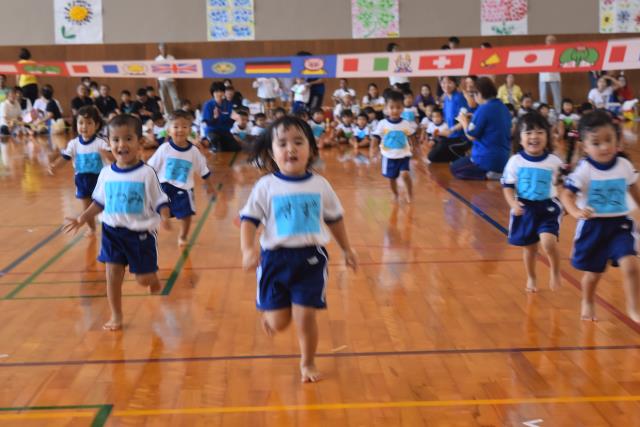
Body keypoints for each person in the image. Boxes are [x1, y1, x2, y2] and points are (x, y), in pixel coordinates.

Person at [239, 115, 357, 383]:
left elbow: (334, 219)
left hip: (311, 259)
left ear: (311, 149)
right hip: (274, 260)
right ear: (272, 152)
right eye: (282, 143)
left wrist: (347, 249)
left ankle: (308, 362)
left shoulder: (320, 185)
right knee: (280, 323)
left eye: (298, 142)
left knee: (305, 317)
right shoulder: (266, 186)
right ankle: (271, 317)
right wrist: (247, 249)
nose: (290, 148)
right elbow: (249, 220)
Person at [63, 114, 171, 331]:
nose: (122, 145)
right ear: (109, 143)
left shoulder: (146, 173)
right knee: (112, 276)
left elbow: (160, 200)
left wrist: (166, 217)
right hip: (112, 233)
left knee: (142, 280)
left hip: (140, 235)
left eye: (128, 139)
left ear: (140, 142)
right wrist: (82, 218)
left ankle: (152, 280)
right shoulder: (105, 173)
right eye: (116, 140)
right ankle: (116, 315)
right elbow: (99, 202)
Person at [560, 110, 640, 323]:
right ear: (585, 147)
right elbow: (566, 194)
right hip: (593, 227)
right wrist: (576, 212)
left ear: (617, 140)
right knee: (593, 275)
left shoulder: (624, 166)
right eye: (596, 143)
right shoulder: (584, 170)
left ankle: (634, 309)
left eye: (608, 140)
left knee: (631, 265)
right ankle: (587, 300)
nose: (604, 147)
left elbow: (633, 188)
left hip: (620, 225)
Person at [501, 112, 563, 293]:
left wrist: (567, 203)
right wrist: (513, 204)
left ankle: (555, 270)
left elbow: (563, 186)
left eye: (539, 132)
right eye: (528, 133)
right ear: (520, 138)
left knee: (548, 243)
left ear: (547, 136)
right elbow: (507, 186)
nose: (534, 136)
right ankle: (531, 276)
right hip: (525, 208)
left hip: (548, 207)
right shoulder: (515, 161)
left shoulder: (554, 161)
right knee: (529, 248)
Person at [147, 110, 215, 247]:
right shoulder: (164, 148)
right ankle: (163, 219)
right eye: (176, 126)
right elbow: (151, 167)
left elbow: (203, 169)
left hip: (184, 189)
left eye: (184, 126)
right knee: (161, 209)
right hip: (164, 187)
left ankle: (183, 236)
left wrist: (210, 186)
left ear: (190, 130)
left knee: (186, 215)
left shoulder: (193, 151)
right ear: (169, 130)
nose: (180, 130)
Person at [49, 106, 112, 236]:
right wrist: (55, 166)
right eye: (81, 122)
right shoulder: (74, 144)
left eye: (89, 123)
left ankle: (110, 227)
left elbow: (113, 157)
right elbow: (65, 158)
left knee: (104, 206)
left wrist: (106, 154)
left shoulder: (101, 143)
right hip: (82, 181)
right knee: (86, 207)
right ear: (76, 124)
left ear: (96, 125)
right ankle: (92, 228)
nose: (84, 126)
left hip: (99, 181)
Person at [453, 77, 512, 180]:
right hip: (504, 158)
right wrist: (474, 118)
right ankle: (496, 171)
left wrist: (463, 122)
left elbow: (471, 136)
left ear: (479, 94)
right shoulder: (503, 107)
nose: (474, 98)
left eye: (474, 95)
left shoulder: (483, 109)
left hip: (487, 158)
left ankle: (489, 174)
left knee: (455, 168)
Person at [370, 91, 415, 203]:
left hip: (404, 154)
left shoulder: (405, 123)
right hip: (388, 156)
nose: (395, 110)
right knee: (391, 178)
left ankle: (409, 193)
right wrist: (372, 149)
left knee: (405, 174)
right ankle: (395, 194)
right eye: (392, 107)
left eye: (398, 107)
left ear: (402, 108)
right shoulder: (382, 123)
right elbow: (375, 137)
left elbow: (411, 136)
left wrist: (413, 147)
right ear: (386, 109)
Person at [427, 76, 470, 163]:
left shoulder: (459, 98)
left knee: (435, 154)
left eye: (449, 82)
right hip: (451, 137)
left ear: (455, 84)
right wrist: (437, 134)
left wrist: (451, 130)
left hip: (462, 139)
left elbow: (465, 120)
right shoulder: (446, 99)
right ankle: (457, 157)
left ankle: (463, 157)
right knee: (432, 155)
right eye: (443, 83)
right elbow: (447, 122)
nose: (446, 85)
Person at [201, 81, 238, 152]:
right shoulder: (208, 104)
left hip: (224, 131)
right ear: (212, 93)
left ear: (224, 92)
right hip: (212, 131)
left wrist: (234, 119)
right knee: (217, 146)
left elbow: (230, 123)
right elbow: (206, 123)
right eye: (216, 92)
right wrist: (215, 118)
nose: (219, 93)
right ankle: (212, 145)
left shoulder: (228, 104)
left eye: (221, 91)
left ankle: (222, 144)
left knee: (235, 148)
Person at [155, 43, 180, 114]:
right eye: (162, 48)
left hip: (171, 80)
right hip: (161, 81)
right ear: (159, 50)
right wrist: (156, 82)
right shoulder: (157, 59)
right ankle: (167, 114)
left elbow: (175, 69)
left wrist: (176, 80)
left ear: (167, 49)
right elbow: (155, 71)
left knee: (175, 97)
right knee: (163, 99)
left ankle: (177, 112)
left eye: (165, 48)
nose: (164, 50)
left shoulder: (171, 58)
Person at [539, 35, 562, 112]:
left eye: (552, 41)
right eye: (549, 40)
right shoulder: (541, 51)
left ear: (555, 42)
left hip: (554, 76)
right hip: (543, 76)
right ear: (546, 42)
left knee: (557, 97)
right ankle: (543, 112)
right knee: (543, 96)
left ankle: (558, 113)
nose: (550, 42)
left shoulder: (559, 51)